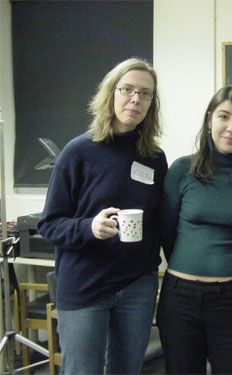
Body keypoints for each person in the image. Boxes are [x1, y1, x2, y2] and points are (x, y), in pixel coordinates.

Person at [37, 58, 168, 375]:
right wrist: (89, 227)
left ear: (151, 103)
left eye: (145, 94)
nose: (135, 99)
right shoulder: (78, 152)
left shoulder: (154, 157)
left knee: (127, 369)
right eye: (127, 90)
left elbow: (160, 222)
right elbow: (49, 224)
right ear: (111, 94)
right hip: (85, 285)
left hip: (137, 286)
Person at [156, 84, 232, 375]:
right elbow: (167, 233)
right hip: (179, 299)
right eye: (224, 116)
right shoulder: (182, 170)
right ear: (209, 120)